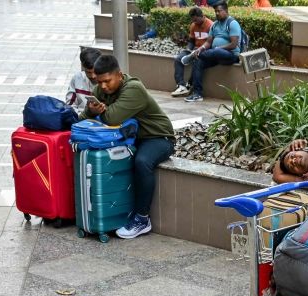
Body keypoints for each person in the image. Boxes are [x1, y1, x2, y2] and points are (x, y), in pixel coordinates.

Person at [85, 55, 176, 240]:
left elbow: (112, 118)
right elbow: (84, 118)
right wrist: (91, 111)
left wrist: (99, 113)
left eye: (107, 81)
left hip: (158, 137)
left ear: (119, 75)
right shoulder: (100, 90)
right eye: (99, 82)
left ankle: (142, 219)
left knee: (142, 161)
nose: (103, 87)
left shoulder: (134, 89)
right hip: (131, 139)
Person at [184, 2, 242, 103]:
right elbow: (208, 42)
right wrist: (200, 49)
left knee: (215, 51)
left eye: (219, 11)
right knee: (199, 61)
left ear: (226, 11)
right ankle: (197, 94)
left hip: (231, 55)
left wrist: (218, 48)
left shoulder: (232, 23)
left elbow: (233, 44)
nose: (217, 13)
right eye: (215, 11)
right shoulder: (215, 25)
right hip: (216, 56)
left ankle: (193, 57)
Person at [171, 7, 214, 98]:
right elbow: (191, 41)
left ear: (202, 16)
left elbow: (211, 43)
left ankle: (189, 85)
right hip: (194, 50)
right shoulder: (193, 25)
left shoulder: (210, 25)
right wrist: (188, 50)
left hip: (204, 51)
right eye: (193, 20)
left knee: (197, 62)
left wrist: (199, 51)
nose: (195, 22)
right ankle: (181, 85)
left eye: (196, 20)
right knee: (178, 59)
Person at [66, 47, 102, 115]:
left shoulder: (107, 81)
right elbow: (70, 105)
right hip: (80, 118)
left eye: (95, 72)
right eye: (88, 72)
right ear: (83, 66)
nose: (93, 76)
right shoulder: (77, 78)